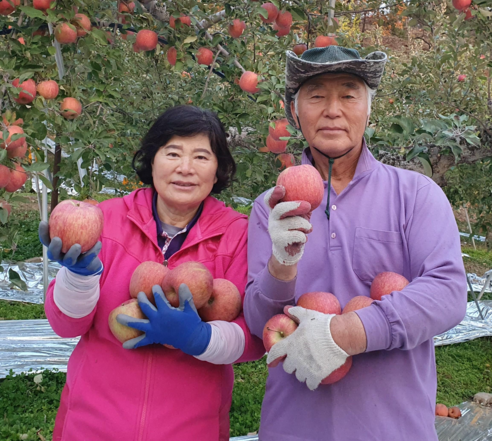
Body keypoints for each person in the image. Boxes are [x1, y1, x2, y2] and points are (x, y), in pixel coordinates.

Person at [244, 46, 467, 441]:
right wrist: (281, 263)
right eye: (316, 96)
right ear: (295, 112)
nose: (333, 109)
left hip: (395, 430)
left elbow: (447, 293)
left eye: (348, 94)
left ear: (369, 109)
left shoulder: (415, 195)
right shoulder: (270, 207)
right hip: (292, 428)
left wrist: (344, 333)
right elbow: (261, 324)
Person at [40, 105, 264, 441]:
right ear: (152, 159)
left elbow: (253, 338)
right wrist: (78, 278)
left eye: (202, 157)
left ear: (219, 170)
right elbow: (65, 325)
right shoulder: (106, 221)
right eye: (173, 152)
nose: (185, 168)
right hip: (91, 427)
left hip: (190, 430)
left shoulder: (238, 235)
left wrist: (201, 339)